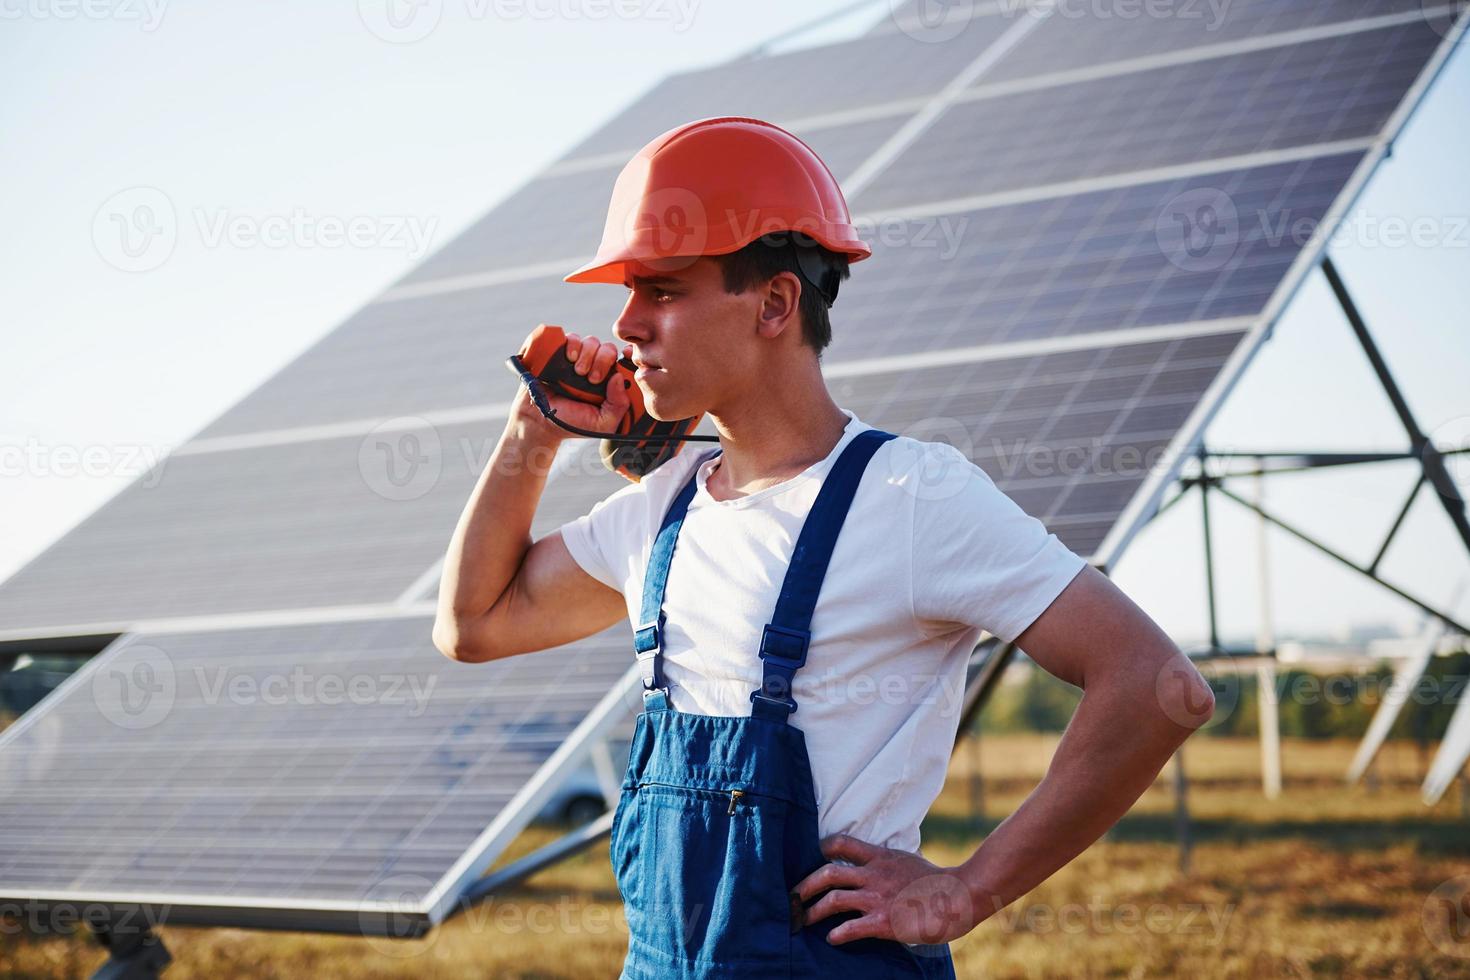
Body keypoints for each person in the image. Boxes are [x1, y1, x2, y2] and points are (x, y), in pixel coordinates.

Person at [433, 116, 1215, 978]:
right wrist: (532, 433)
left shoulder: (912, 496)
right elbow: (474, 625)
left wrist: (966, 890)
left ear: (774, 302)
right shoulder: (662, 511)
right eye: (627, 294)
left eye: (661, 290)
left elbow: (1158, 688)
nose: (626, 323)